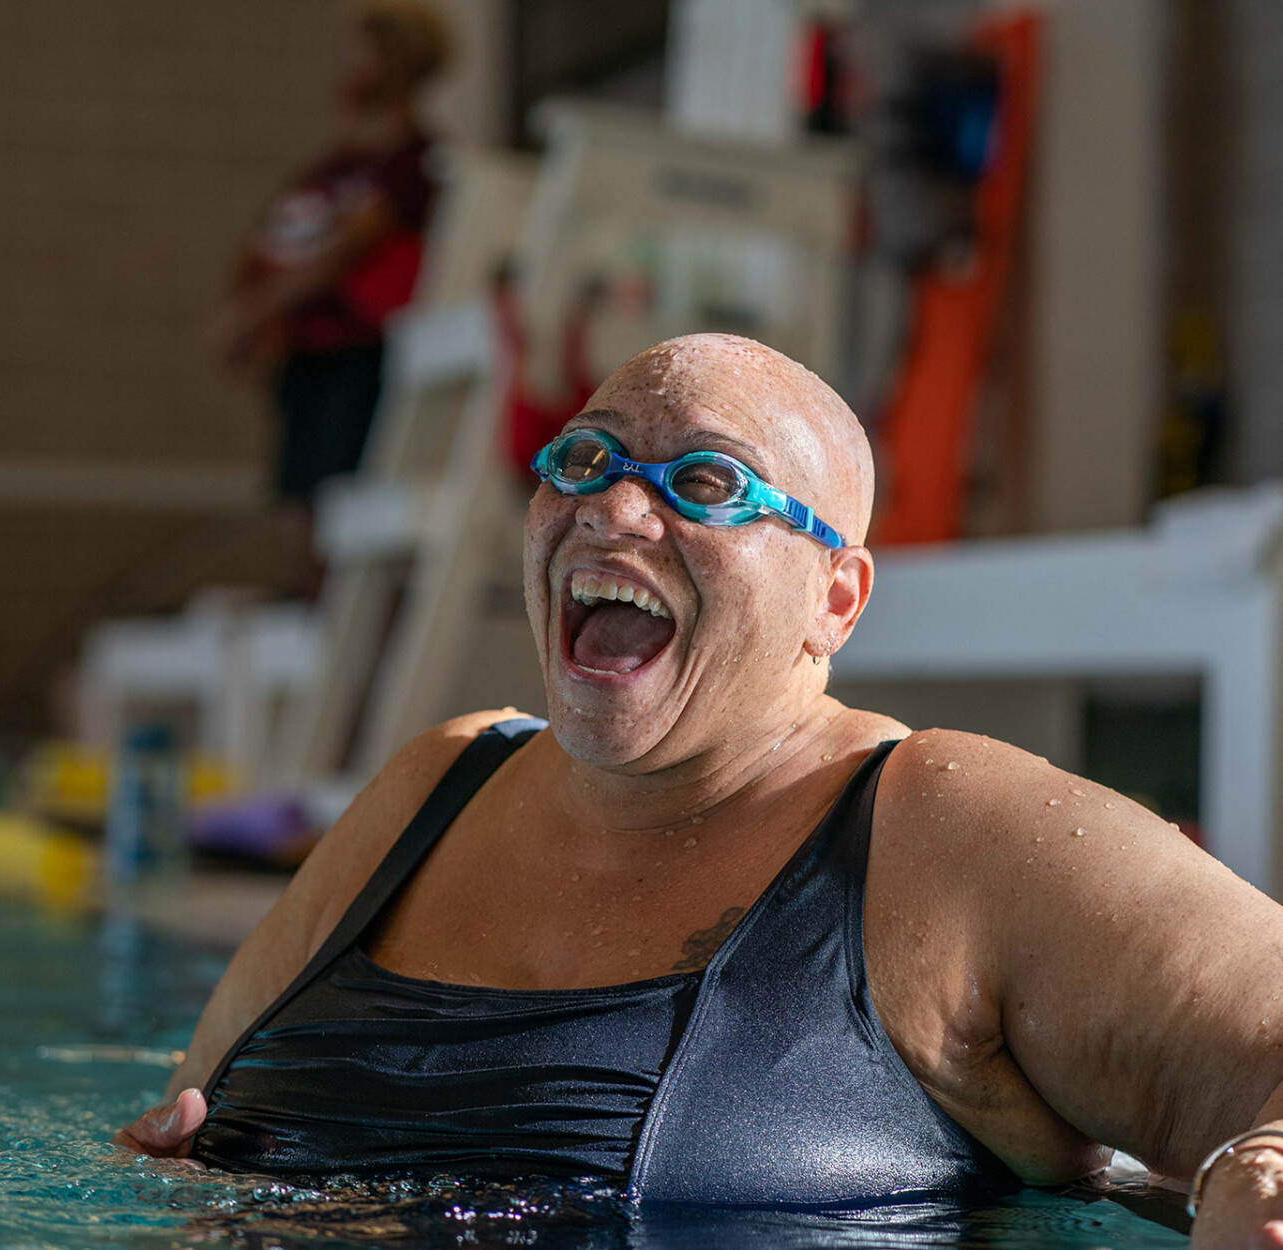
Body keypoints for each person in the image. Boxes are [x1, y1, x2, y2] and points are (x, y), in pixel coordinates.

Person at [120, 334, 1283, 1246]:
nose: (615, 508)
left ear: (837, 597)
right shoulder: (441, 782)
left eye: (706, 481)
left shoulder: (939, 825)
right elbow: (170, 1134)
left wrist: (1259, 1171)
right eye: (583, 459)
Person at [206, 0, 449, 511]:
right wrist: (248, 307)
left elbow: (344, 251)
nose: (339, 66)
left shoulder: (416, 162)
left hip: (363, 365)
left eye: (351, 53)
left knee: (341, 514)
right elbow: (267, 242)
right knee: (299, 509)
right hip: (307, 362)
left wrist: (252, 312)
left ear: (389, 61)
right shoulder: (331, 168)